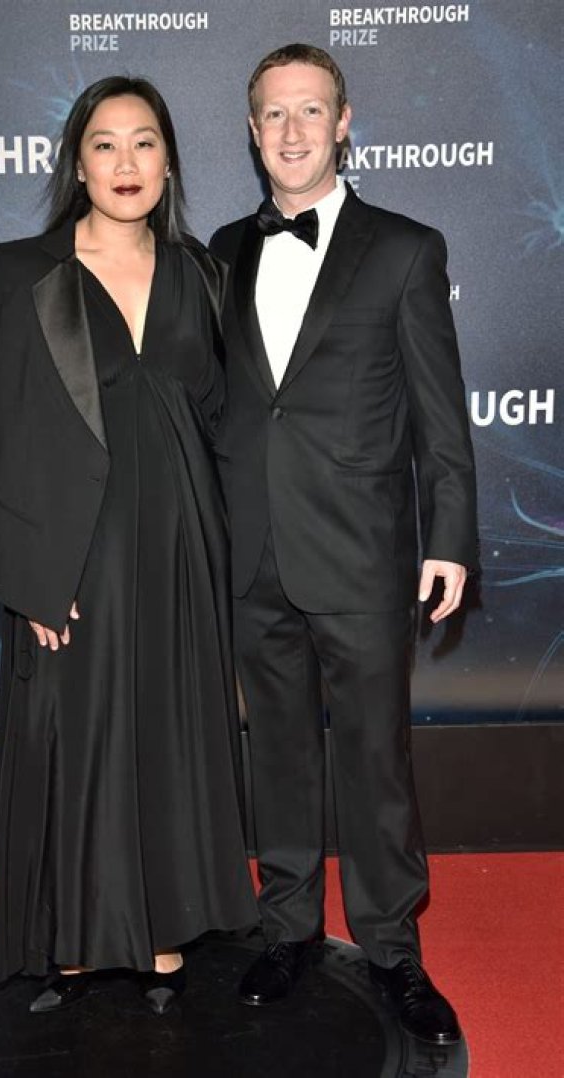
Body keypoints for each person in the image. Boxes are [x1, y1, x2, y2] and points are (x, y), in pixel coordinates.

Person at [0, 75, 257, 1017]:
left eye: (144, 142)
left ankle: (165, 927)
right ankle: (81, 938)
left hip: (183, 542)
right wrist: (25, 576)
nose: (125, 163)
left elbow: (227, 422)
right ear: (77, 163)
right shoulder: (18, 271)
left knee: (169, 730)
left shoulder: (204, 274)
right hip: (73, 551)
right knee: (83, 738)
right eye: (104, 143)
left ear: (169, 161)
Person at [210, 44, 478, 1043]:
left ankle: (394, 951)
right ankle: (287, 927)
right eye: (274, 115)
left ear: (344, 121)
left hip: (363, 551)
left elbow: (439, 410)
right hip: (253, 551)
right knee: (277, 752)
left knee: (374, 760)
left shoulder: (406, 248)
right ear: (252, 131)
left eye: (310, 111)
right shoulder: (221, 251)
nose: (292, 132)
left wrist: (449, 533)